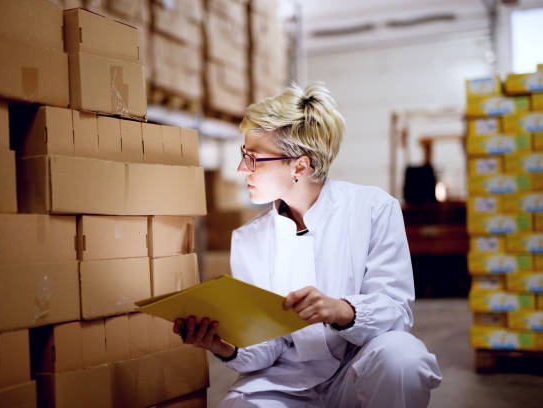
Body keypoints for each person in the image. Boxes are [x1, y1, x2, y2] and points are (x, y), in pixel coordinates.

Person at [173, 83, 442, 407]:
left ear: (300, 166)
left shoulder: (373, 210)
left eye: (253, 157)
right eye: (243, 156)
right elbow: (265, 347)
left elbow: (397, 314)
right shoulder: (249, 240)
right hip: (287, 384)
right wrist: (225, 345)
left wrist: (341, 310)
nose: (241, 169)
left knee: (403, 359)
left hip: (358, 373)